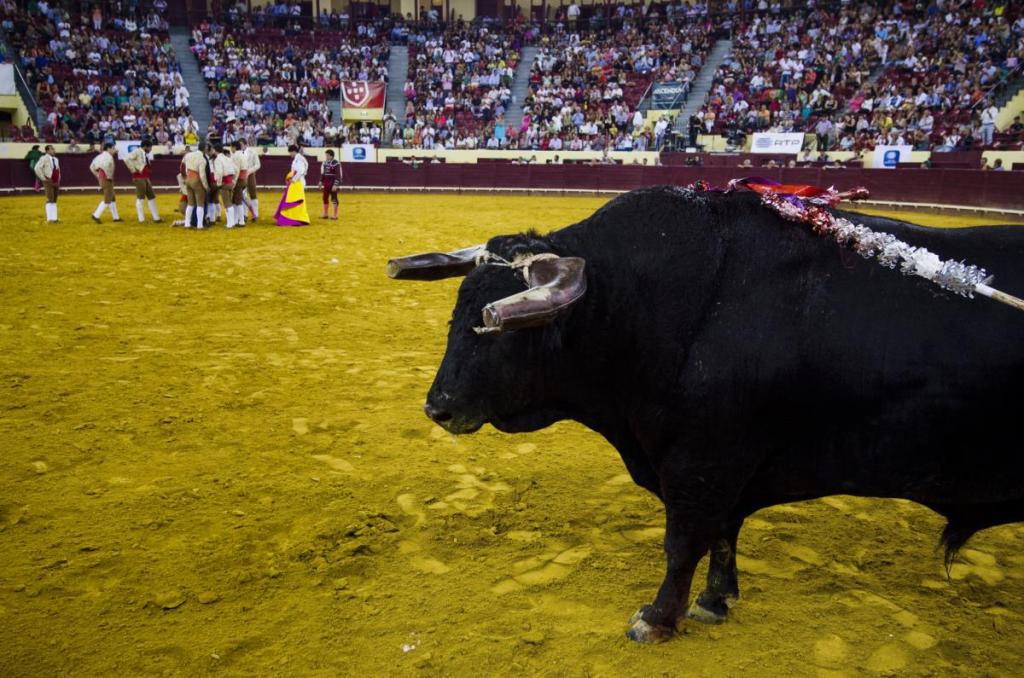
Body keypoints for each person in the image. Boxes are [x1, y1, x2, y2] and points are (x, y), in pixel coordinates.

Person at [124, 140, 161, 223]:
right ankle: (141, 219)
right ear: (145, 146)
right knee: (140, 198)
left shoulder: (144, 154)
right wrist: (133, 169)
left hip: (146, 177)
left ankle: (156, 218)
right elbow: (127, 159)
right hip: (139, 177)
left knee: (151, 197)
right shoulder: (137, 151)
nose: (151, 149)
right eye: (150, 147)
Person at [275, 144, 310, 226]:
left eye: (290, 152)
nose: (290, 154)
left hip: (298, 182)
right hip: (297, 182)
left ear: (294, 151)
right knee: (295, 200)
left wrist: (293, 179)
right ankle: (298, 217)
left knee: (294, 200)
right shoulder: (298, 158)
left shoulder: (299, 159)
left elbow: (300, 171)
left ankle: (297, 218)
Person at [89, 142, 121, 223]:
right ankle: (96, 215)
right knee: (107, 199)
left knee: (112, 198)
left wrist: (98, 175)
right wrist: (108, 176)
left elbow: (91, 167)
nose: (114, 150)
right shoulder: (108, 157)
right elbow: (105, 166)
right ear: (108, 149)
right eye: (113, 148)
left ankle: (116, 217)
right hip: (106, 179)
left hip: (103, 178)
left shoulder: (99, 156)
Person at [182, 142, 210, 229]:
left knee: (190, 203)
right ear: (205, 149)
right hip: (196, 180)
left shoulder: (188, 155)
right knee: (200, 204)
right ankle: (199, 225)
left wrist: (185, 177)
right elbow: (202, 175)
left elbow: (183, 166)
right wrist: (206, 186)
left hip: (188, 179)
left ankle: (187, 223)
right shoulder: (202, 159)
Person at [211, 145, 239, 229]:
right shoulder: (228, 158)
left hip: (224, 183)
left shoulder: (218, 159)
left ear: (215, 150)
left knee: (227, 203)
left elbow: (219, 173)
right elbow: (236, 170)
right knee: (229, 202)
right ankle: (231, 222)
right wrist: (234, 181)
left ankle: (230, 223)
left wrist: (219, 183)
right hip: (230, 182)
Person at [34, 145, 60, 223]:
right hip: (48, 180)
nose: (54, 150)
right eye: (52, 149)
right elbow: (37, 168)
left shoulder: (56, 159)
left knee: (54, 199)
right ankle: (50, 219)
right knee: (50, 199)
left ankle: (55, 218)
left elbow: (58, 169)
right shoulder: (43, 158)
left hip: (55, 180)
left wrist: (59, 178)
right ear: (47, 151)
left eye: (54, 149)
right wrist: (43, 178)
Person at [230, 141, 250, 228]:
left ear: (234, 147)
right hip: (243, 179)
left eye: (231, 147)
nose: (230, 149)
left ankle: (241, 221)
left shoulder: (235, 156)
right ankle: (235, 220)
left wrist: (233, 182)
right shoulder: (242, 154)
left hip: (239, 180)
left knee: (238, 201)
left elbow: (236, 170)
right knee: (235, 200)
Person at [242, 138, 261, 221]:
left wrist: (249, 171)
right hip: (241, 175)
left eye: (241, 145)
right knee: (243, 195)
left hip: (250, 175)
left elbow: (258, 165)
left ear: (246, 144)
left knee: (253, 194)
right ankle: (244, 215)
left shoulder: (253, 152)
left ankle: (255, 214)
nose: (240, 146)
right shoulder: (237, 153)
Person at [320, 149, 341, 220]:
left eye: (327, 155)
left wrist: (335, 184)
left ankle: (335, 215)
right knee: (325, 197)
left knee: (334, 198)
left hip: (332, 182)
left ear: (331, 156)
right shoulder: (325, 163)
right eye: (326, 155)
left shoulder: (336, 163)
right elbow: (323, 173)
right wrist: (321, 181)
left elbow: (338, 175)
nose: (326, 157)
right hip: (326, 183)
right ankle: (325, 214)